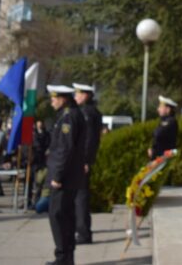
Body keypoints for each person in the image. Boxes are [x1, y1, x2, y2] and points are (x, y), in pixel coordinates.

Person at [45, 85, 86, 265]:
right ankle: (67, 257)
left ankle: (62, 257)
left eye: (54, 98)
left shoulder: (69, 117)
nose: (52, 102)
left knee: (58, 216)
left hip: (64, 177)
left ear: (63, 99)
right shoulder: (71, 114)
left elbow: (65, 149)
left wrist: (57, 176)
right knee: (66, 216)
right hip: (70, 176)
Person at [72, 83, 103, 245]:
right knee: (78, 196)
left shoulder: (87, 113)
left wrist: (85, 160)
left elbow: (89, 140)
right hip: (80, 160)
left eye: (78, 94)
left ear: (86, 95)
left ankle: (83, 233)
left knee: (81, 197)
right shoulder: (88, 111)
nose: (75, 97)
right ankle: (80, 229)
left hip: (81, 161)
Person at [148, 95, 178, 160]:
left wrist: (154, 152)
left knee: (152, 166)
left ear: (168, 109)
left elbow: (158, 134)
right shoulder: (164, 121)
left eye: (161, 107)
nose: (158, 109)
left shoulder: (170, 121)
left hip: (166, 155)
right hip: (163, 155)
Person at [31, 119, 51, 206]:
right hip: (36, 160)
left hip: (44, 160)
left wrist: (47, 150)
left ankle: (37, 201)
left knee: (41, 182)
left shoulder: (46, 134)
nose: (39, 124)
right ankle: (33, 201)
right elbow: (35, 145)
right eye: (38, 123)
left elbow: (49, 143)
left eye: (40, 123)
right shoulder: (34, 134)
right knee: (35, 182)